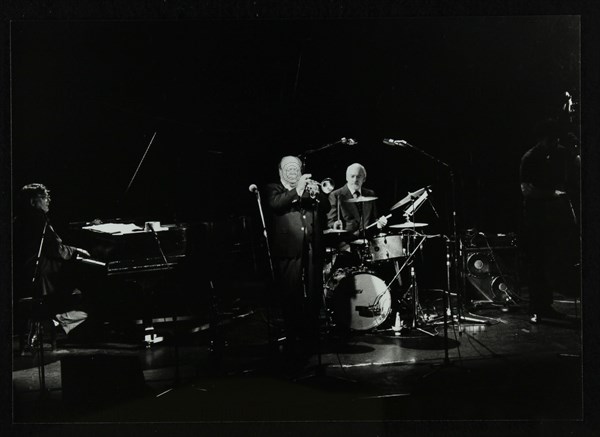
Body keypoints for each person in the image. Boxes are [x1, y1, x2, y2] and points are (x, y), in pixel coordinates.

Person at [264, 156, 331, 360]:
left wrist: (318, 194)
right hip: (287, 249)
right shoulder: (272, 188)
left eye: (296, 168)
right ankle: (293, 336)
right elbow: (276, 205)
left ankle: (311, 335)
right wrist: (298, 190)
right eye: (288, 168)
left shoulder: (309, 187)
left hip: (312, 246)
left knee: (314, 292)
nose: (293, 172)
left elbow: (327, 208)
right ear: (280, 171)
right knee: (290, 292)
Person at [13, 183, 91, 344]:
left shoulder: (17, 219)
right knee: (86, 293)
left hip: (23, 276)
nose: (48, 200)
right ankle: (54, 322)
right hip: (42, 277)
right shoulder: (38, 219)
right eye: (43, 197)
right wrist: (78, 251)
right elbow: (56, 249)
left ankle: (49, 322)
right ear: (32, 202)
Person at [519, 119, 580, 324]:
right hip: (535, 218)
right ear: (541, 139)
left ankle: (545, 305)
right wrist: (551, 194)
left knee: (550, 262)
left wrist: (575, 148)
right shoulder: (529, 158)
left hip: (555, 218)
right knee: (537, 262)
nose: (554, 143)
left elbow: (577, 162)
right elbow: (526, 190)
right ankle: (537, 307)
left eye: (555, 139)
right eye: (550, 139)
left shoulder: (560, 152)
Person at [326, 163, 388, 253]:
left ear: (364, 179)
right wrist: (341, 243)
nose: (355, 180)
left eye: (359, 176)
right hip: (345, 245)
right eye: (352, 176)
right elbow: (331, 223)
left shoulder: (370, 194)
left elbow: (373, 219)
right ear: (347, 178)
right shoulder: (336, 195)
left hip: (367, 243)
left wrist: (379, 224)